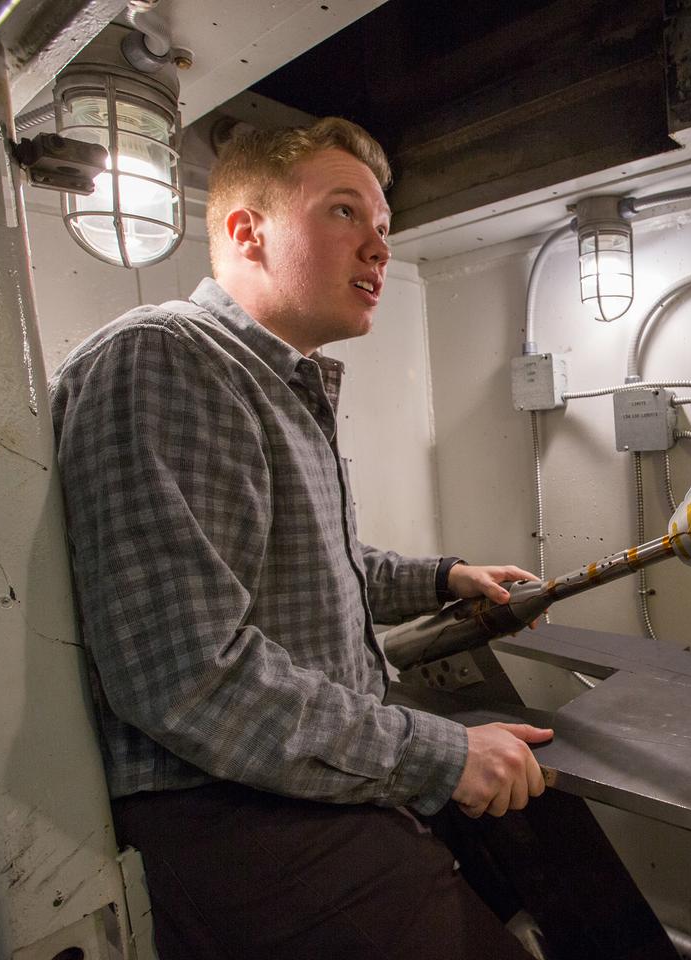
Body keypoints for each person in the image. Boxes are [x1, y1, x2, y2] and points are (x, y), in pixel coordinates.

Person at [50, 117, 553, 960]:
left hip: (309, 786)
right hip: (241, 816)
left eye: (385, 230)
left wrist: (443, 577)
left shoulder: (273, 383)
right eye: (346, 213)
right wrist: (441, 756)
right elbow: (187, 674)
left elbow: (309, 563)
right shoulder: (168, 358)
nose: (380, 250)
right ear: (248, 231)